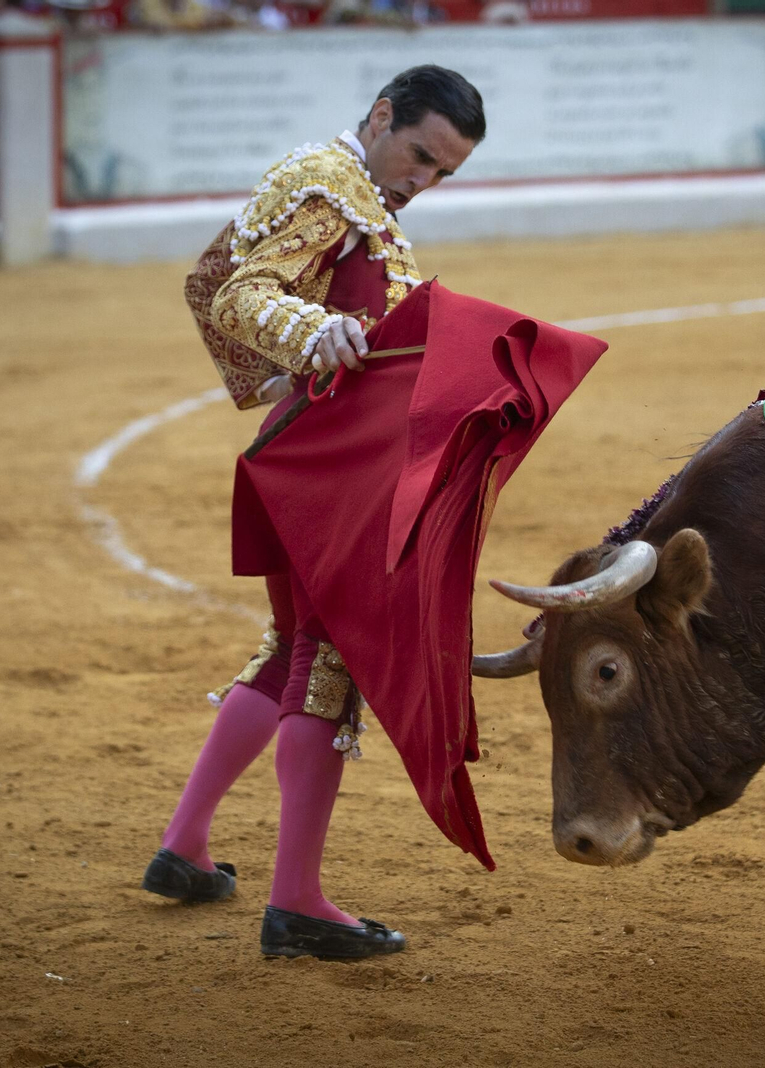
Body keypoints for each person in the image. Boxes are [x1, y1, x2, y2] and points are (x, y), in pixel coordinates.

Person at [144, 65, 485, 961]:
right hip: (331, 471)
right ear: (380, 116)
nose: (423, 181)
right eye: (420, 156)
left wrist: (275, 382)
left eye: (443, 172)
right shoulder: (333, 188)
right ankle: (295, 900)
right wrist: (308, 340)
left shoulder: (333, 181)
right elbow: (238, 294)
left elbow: (209, 277)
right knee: (328, 663)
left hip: (308, 451)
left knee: (292, 650)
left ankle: (185, 848)